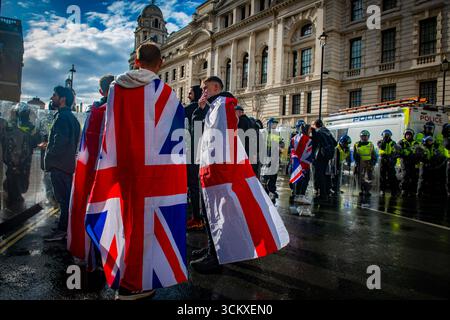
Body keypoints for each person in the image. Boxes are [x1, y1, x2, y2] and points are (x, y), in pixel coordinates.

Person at [192, 76, 289, 273]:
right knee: (210, 211)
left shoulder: (225, 103)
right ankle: (215, 249)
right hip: (211, 169)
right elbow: (198, 127)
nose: (203, 92)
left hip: (220, 171)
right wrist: (201, 109)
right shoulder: (213, 106)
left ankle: (215, 254)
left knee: (219, 211)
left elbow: (225, 134)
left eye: (206, 88)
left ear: (216, 87)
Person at [44, 86, 81, 241]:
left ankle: (62, 231)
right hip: (66, 165)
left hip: (59, 165)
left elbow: (60, 142)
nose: (52, 98)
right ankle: (64, 227)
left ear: (63, 99)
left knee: (63, 200)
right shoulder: (72, 118)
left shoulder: (62, 118)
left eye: (55, 95)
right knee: (65, 199)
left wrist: (50, 153)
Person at [2, 103, 40, 204]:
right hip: (23, 158)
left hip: (14, 158)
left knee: (13, 177)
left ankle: (14, 198)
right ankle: (15, 198)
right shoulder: (30, 126)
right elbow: (36, 140)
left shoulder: (11, 125)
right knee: (19, 178)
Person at [184, 85, 205, 231]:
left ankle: (197, 217)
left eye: (190, 93)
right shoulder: (208, 109)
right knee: (199, 185)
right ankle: (200, 216)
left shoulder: (189, 109)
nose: (188, 96)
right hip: (205, 151)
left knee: (192, 184)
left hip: (191, 152)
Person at [311, 119, 337, 202]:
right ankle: (326, 190)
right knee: (325, 174)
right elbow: (335, 143)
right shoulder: (328, 131)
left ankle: (322, 193)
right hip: (327, 156)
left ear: (316, 125)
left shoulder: (318, 132)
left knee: (320, 174)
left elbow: (314, 143)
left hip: (320, 156)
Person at [261, 117, 284, 202]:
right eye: (273, 124)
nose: (275, 125)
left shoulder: (276, 133)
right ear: (269, 124)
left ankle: (272, 190)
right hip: (265, 157)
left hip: (275, 158)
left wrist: (281, 146)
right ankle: (264, 191)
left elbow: (281, 143)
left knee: (274, 176)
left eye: (275, 124)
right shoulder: (263, 132)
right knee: (265, 175)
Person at [289, 120, 312, 205]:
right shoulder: (305, 138)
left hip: (296, 162)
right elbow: (308, 153)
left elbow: (291, 150)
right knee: (304, 179)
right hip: (303, 163)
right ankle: (300, 196)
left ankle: (297, 194)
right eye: (309, 129)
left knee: (297, 179)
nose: (310, 131)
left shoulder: (293, 138)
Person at [354, 130, 377, 197]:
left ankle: (367, 191)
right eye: (363, 136)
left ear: (368, 137)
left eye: (366, 136)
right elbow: (355, 155)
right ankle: (362, 190)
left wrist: (373, 163)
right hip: (360, 163)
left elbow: (374, 155)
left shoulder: (371, 145)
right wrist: (358, 162)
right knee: (360, 177)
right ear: (360, 137)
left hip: (368, 163)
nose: (364, 138)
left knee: (369, 177)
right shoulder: (356, 144)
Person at [398, 128, 419, 197]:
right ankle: (404, 190)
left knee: (414, 177)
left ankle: (412, 191)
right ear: (404, 135)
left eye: (409, 135)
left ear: (412, 135)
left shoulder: (415, 143)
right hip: (404, 161)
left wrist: (415, 155)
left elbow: (419, 151)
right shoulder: (401, 142)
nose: (408, 136)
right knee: (405, 176)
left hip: (413, 161)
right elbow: (398, 150)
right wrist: (404, 153)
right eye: (407, 135)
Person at [377, 129, 399, 196]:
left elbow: (395, 150)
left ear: (390, 136)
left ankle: (394, 191)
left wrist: (392, 157)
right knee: (382, 177)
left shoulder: (393, 142)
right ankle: (382, 190)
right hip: (383, 161)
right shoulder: (380, 142)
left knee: (392, 177)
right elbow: (381, 147)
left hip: (390, 161)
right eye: (385, 135)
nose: (386, 136)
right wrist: (384, 141)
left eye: (388, 135)